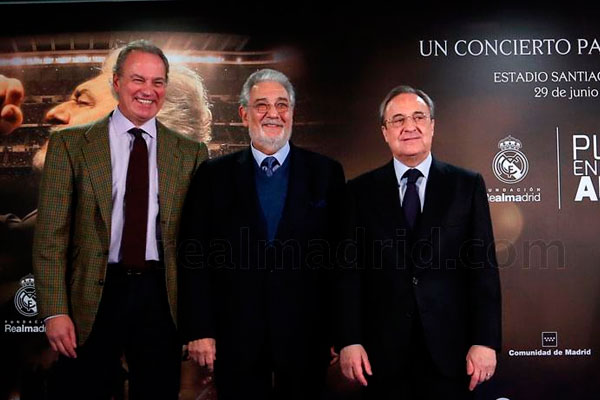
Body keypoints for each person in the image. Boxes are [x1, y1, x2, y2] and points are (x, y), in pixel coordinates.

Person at [32, 40, 209, 399]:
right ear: (116, 83)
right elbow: (51, 236)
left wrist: (201, 323)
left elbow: (198, 246)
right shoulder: (70, 145)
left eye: (158, 82)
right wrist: (54, 311)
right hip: (93, 295)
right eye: (137, 79)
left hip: (161, 298)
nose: (148, 90)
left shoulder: (191, 153)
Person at [179, 68, 346, 400]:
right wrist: (200, 330)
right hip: (235, 336)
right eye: (262, 105)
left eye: (282, 104)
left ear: (293, 113)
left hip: (307, 336)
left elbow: (342, 259)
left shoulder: (326, 173)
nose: (273, 113)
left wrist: (341, 332)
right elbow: (193, 257)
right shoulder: (213, 176)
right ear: (244, 114)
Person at [336, 86, 501, 399]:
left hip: (452, 354)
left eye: (418, 117)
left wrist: (486, 340)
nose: (409, 126)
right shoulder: (359, 192)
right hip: (380, 356)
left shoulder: (466, 185)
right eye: (397, 120)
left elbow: (483, 271)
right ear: (385, 132)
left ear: (432, 125)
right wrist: (349, 340)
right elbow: (349, 275)